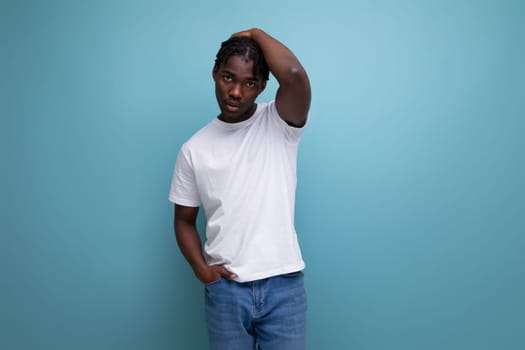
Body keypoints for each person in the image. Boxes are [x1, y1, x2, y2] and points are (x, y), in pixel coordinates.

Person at [169, 28, 311, 350]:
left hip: (283, 286)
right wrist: (202, 270)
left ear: (262, 86)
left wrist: (255, 34)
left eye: (249, 83)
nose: (235, 91)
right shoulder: (194, 149)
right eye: (228, 78)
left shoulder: (279, 123)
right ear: (215, 74)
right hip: (226, 290)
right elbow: (183, 220)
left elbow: (292, 73)